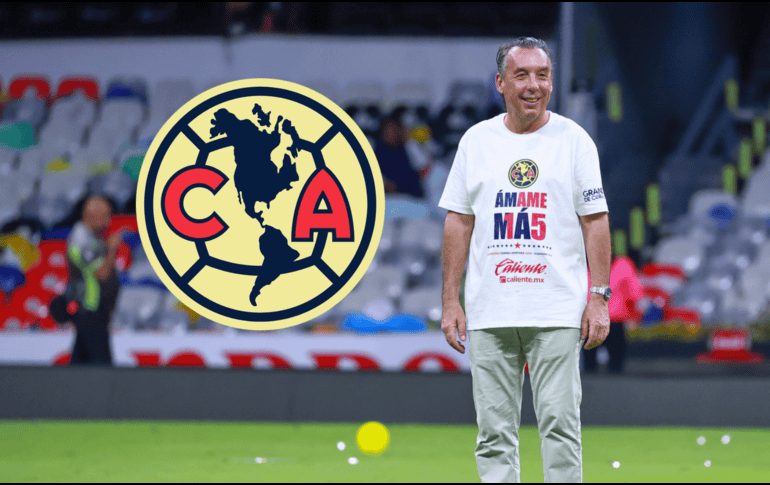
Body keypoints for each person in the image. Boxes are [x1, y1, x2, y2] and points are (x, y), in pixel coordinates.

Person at [439, 37, 611, 483]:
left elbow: (596, 222)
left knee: (560, 427)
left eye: (543, 75)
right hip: (489, 309)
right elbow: (458, 223)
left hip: (557, 309)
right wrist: (450, 302)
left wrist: (598, 298)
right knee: (493, 434)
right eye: (522, 75)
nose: (534, 85)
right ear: (500, 83)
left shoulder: (575, 141)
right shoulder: (476, 141)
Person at [66, 196, 122, 365]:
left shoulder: (90, 236)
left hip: (92, 309)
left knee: (80, 360)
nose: (109, 220)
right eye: (105, 215)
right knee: (101, 361)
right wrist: (112, 249)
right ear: (90, 215)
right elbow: (102, 273)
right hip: (90, 307)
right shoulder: (83, 239)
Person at [584, 256, 644, 374]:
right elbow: (634, 293)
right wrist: (635, 316)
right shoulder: (623, 265)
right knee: (614, 365)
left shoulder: (622, 265)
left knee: (590, 365)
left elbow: (633, 293)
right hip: (610, 320)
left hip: (600, 319)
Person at [374, 116, 425, 198]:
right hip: (388, 198)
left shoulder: (408, 148)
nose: (391, 134)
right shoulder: (378, 152)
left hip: (411, 196)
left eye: (394, 130)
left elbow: (421, 171)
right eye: (388, 131)